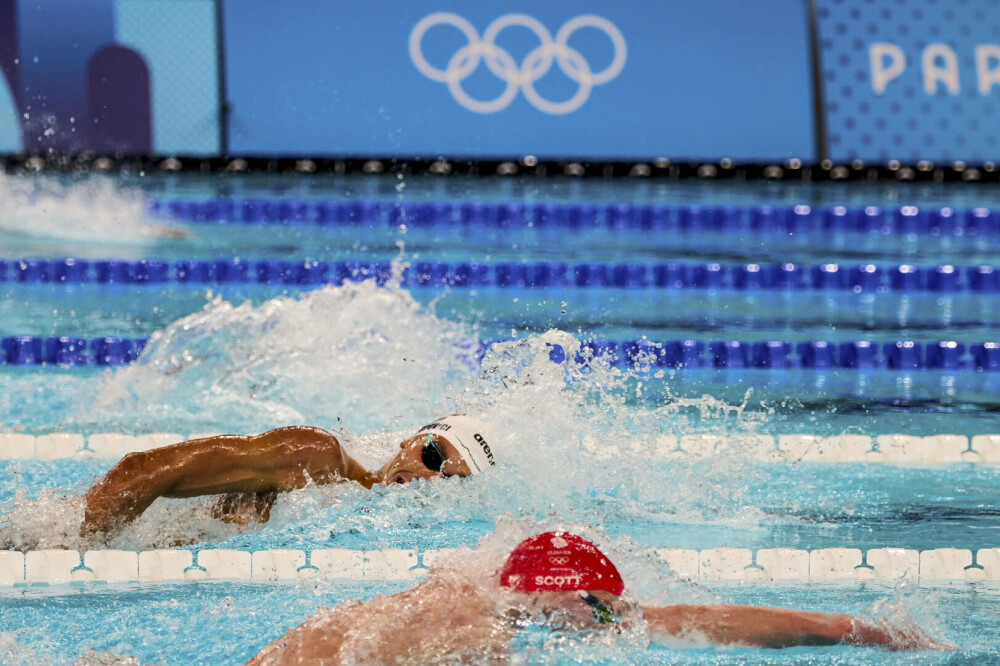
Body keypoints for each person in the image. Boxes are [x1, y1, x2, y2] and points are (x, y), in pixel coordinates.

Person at [246, 531, 953, 663]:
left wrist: (850, 629)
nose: (616, 619)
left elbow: (692, 619)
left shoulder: (453, 590)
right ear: (573, 602)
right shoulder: (479, 637)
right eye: (605, 608)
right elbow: (693, 622)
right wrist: (869, 631)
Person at [80, 414, 497, 539]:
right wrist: (84, 548)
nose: (427, 476)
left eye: (448, 478)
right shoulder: (314, 456)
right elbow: (138, 471)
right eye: (431, 454)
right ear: (410, 439)